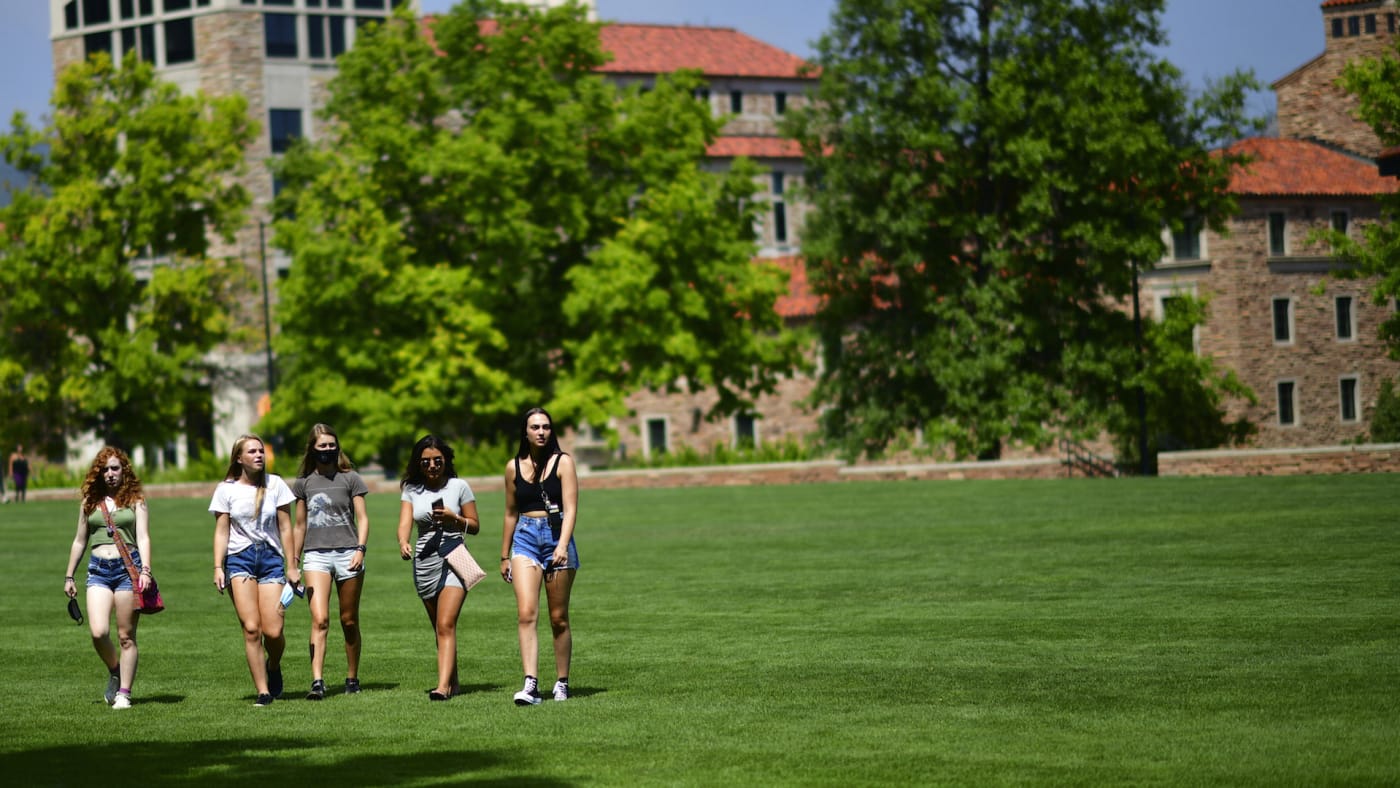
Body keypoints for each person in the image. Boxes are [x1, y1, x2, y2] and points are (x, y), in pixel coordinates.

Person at [210, 434, 298, 707]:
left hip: (271, 559)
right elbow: (222, 531)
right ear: (239, 458)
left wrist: (292, 566)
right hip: (240, 560)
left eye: (261, 451)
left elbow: (285, 527)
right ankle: (262, 691)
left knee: (273, 631)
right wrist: (217, 566)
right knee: (251, 629)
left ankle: (273, 665)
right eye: (252, 451)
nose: (259, 455)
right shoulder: (226, 490)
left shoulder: (276, 485)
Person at [62, 447, 153, 710]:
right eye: (105, 469)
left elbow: (144, 536)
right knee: (98, 632)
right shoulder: (90, 501)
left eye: (115, 468)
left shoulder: (136, 499)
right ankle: (115, 670)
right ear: (98, 473)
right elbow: (80, 541)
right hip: (98, 571)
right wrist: (69, 575)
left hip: (128, 570)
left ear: (124, 470)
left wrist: (146, 570)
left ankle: (124, 692)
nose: (111, 474)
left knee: (126, 636)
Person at [501, 407, 580, 705]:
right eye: (535, 427)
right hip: (525, 539)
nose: (541, 432)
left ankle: (562, 681)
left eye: (546, 427)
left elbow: (571, 508)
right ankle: (530, 684)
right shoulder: (513, 467)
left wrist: (561, 545)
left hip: (557, 538)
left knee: (558, 618)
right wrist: (504, 555)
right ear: (525, 431)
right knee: (526, 614)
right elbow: (510, 513)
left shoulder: (564, 462)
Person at [396, 434, 481, 701]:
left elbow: (475, 526)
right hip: (424, 559)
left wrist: (454, 519)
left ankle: (442, 687)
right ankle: (452, 682)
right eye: (425, 462)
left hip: (455, 555)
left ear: (445, 460)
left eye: (437, 460)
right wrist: (403, 542)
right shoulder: (411, 489)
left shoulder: (459, 487)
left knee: (446, 624)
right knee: (439, 627)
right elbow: (404, 523)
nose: (432, 466)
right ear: (418, 464)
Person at [290, 424, 370, 700]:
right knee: (320, 619)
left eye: (331, 445)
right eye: (322, 446)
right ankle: (317, 681)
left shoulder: (351, 479)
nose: (327, 450)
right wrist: (293, 561)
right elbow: (299, 526)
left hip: (348, 553)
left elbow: (363, 517)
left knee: (348, 620)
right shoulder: (303, 484)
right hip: (316, 556)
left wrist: (361, 548)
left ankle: (352, 677)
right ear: (312, 448)